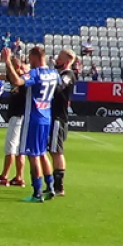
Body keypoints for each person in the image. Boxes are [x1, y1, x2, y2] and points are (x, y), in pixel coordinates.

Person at [0, 46, 60, 203]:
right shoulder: (54, 74)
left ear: (34, 57)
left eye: (30, 58)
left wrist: (7, 62)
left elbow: (17, 81)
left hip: (33, 118)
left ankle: (37, 192)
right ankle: (51, 187)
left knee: (33, 156)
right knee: (42, 154)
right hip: (46, 117)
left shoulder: (35, 73)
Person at [0, 57, 29, 188]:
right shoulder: (19, 78)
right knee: (19, 150)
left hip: (17, 116)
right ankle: (19, 177)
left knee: (11, 148)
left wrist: (8, 62)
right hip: (22, 117)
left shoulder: (21, 79)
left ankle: (4, 176)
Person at [49, 50, 77, 197]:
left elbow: (59, 88)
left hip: (58, 118)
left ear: (66, 61)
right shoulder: (60, 74)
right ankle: (54, 183)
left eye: (59, 58)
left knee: (57, 151)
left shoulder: (68, 75)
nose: (56, 60)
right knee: (53, 151)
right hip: (53, 117)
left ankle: (58, 186)